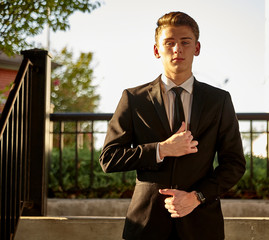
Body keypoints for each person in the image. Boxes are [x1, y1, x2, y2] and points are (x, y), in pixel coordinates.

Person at [99, 11, 246, 240]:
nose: (177, 49)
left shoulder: (219, 100)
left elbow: (234, 164)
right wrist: (161, 149)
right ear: (157, 50)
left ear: (197, 48)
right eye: (169, 43)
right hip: (146, 225)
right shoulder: (133, 98)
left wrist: (197, 197)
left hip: (202, 225)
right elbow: (109, 158)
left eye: (185, 42)